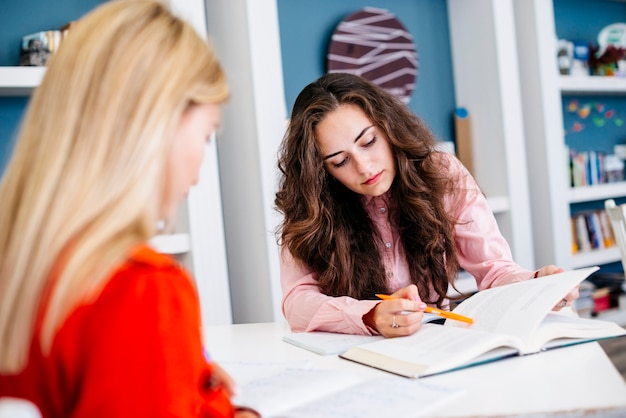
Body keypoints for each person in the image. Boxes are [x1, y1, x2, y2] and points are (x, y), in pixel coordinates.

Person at [0, 1, 258, 417]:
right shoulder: (141, 289)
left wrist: (175, 374)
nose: (198, 170)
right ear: (159, 123)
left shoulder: (23, 263)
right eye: (207, 135)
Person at [274, 72, 578, 338]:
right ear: (321, 170)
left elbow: (495, 271)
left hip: (433, 342)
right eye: (340, 161)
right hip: (349, 352)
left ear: (388, 127)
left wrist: (536, 285)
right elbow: (297, 302)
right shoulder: (312, 204)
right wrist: (369, 316)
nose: (364, 168)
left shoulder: (442, 174)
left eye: (369, 142)